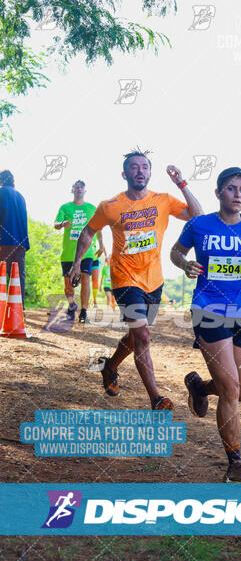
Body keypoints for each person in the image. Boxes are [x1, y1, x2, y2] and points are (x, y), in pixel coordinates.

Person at [69, 150, 203, 410]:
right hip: (124, 278)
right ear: (124, 174)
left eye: (144, 167)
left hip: (154, 281)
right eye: (134, 167)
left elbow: (198, 215)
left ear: (150, 173)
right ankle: (156, 398)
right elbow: (88, 231)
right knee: (142, 335)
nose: (140, 171)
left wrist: (182, 183)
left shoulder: (163, 200)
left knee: (134, 337)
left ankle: (110, 366)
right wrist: (76, 264)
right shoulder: (110, 206)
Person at [171, 167, 241, 482]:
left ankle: (200, 387)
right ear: (218, 193)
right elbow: (176, 251)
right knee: (230, 389)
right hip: (208, 311)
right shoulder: (198, 224)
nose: (238, 194)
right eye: (231, 188)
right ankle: (235, 462)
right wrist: (185, 264)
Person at [54, 180, 105, 323]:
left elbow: (99, 228)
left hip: (87, 251)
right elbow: (56, 224)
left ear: (85, 191)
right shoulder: (65, 207)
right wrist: (63, 224)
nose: (79, 189)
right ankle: (71, 305)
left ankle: (84, 312)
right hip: (69, 252)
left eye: (81, 187)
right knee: (68, 284)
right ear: (72, 190)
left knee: (85, 278)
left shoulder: (92, 208)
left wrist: (101, 244)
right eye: (76, 187)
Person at [0, 170, 29, 306]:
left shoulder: (3, 192)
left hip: (6, 240)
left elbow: (3, 213)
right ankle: (19, 306)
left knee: (2, 272)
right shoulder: (20, 196)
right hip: (21, 242)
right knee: (17, 275)